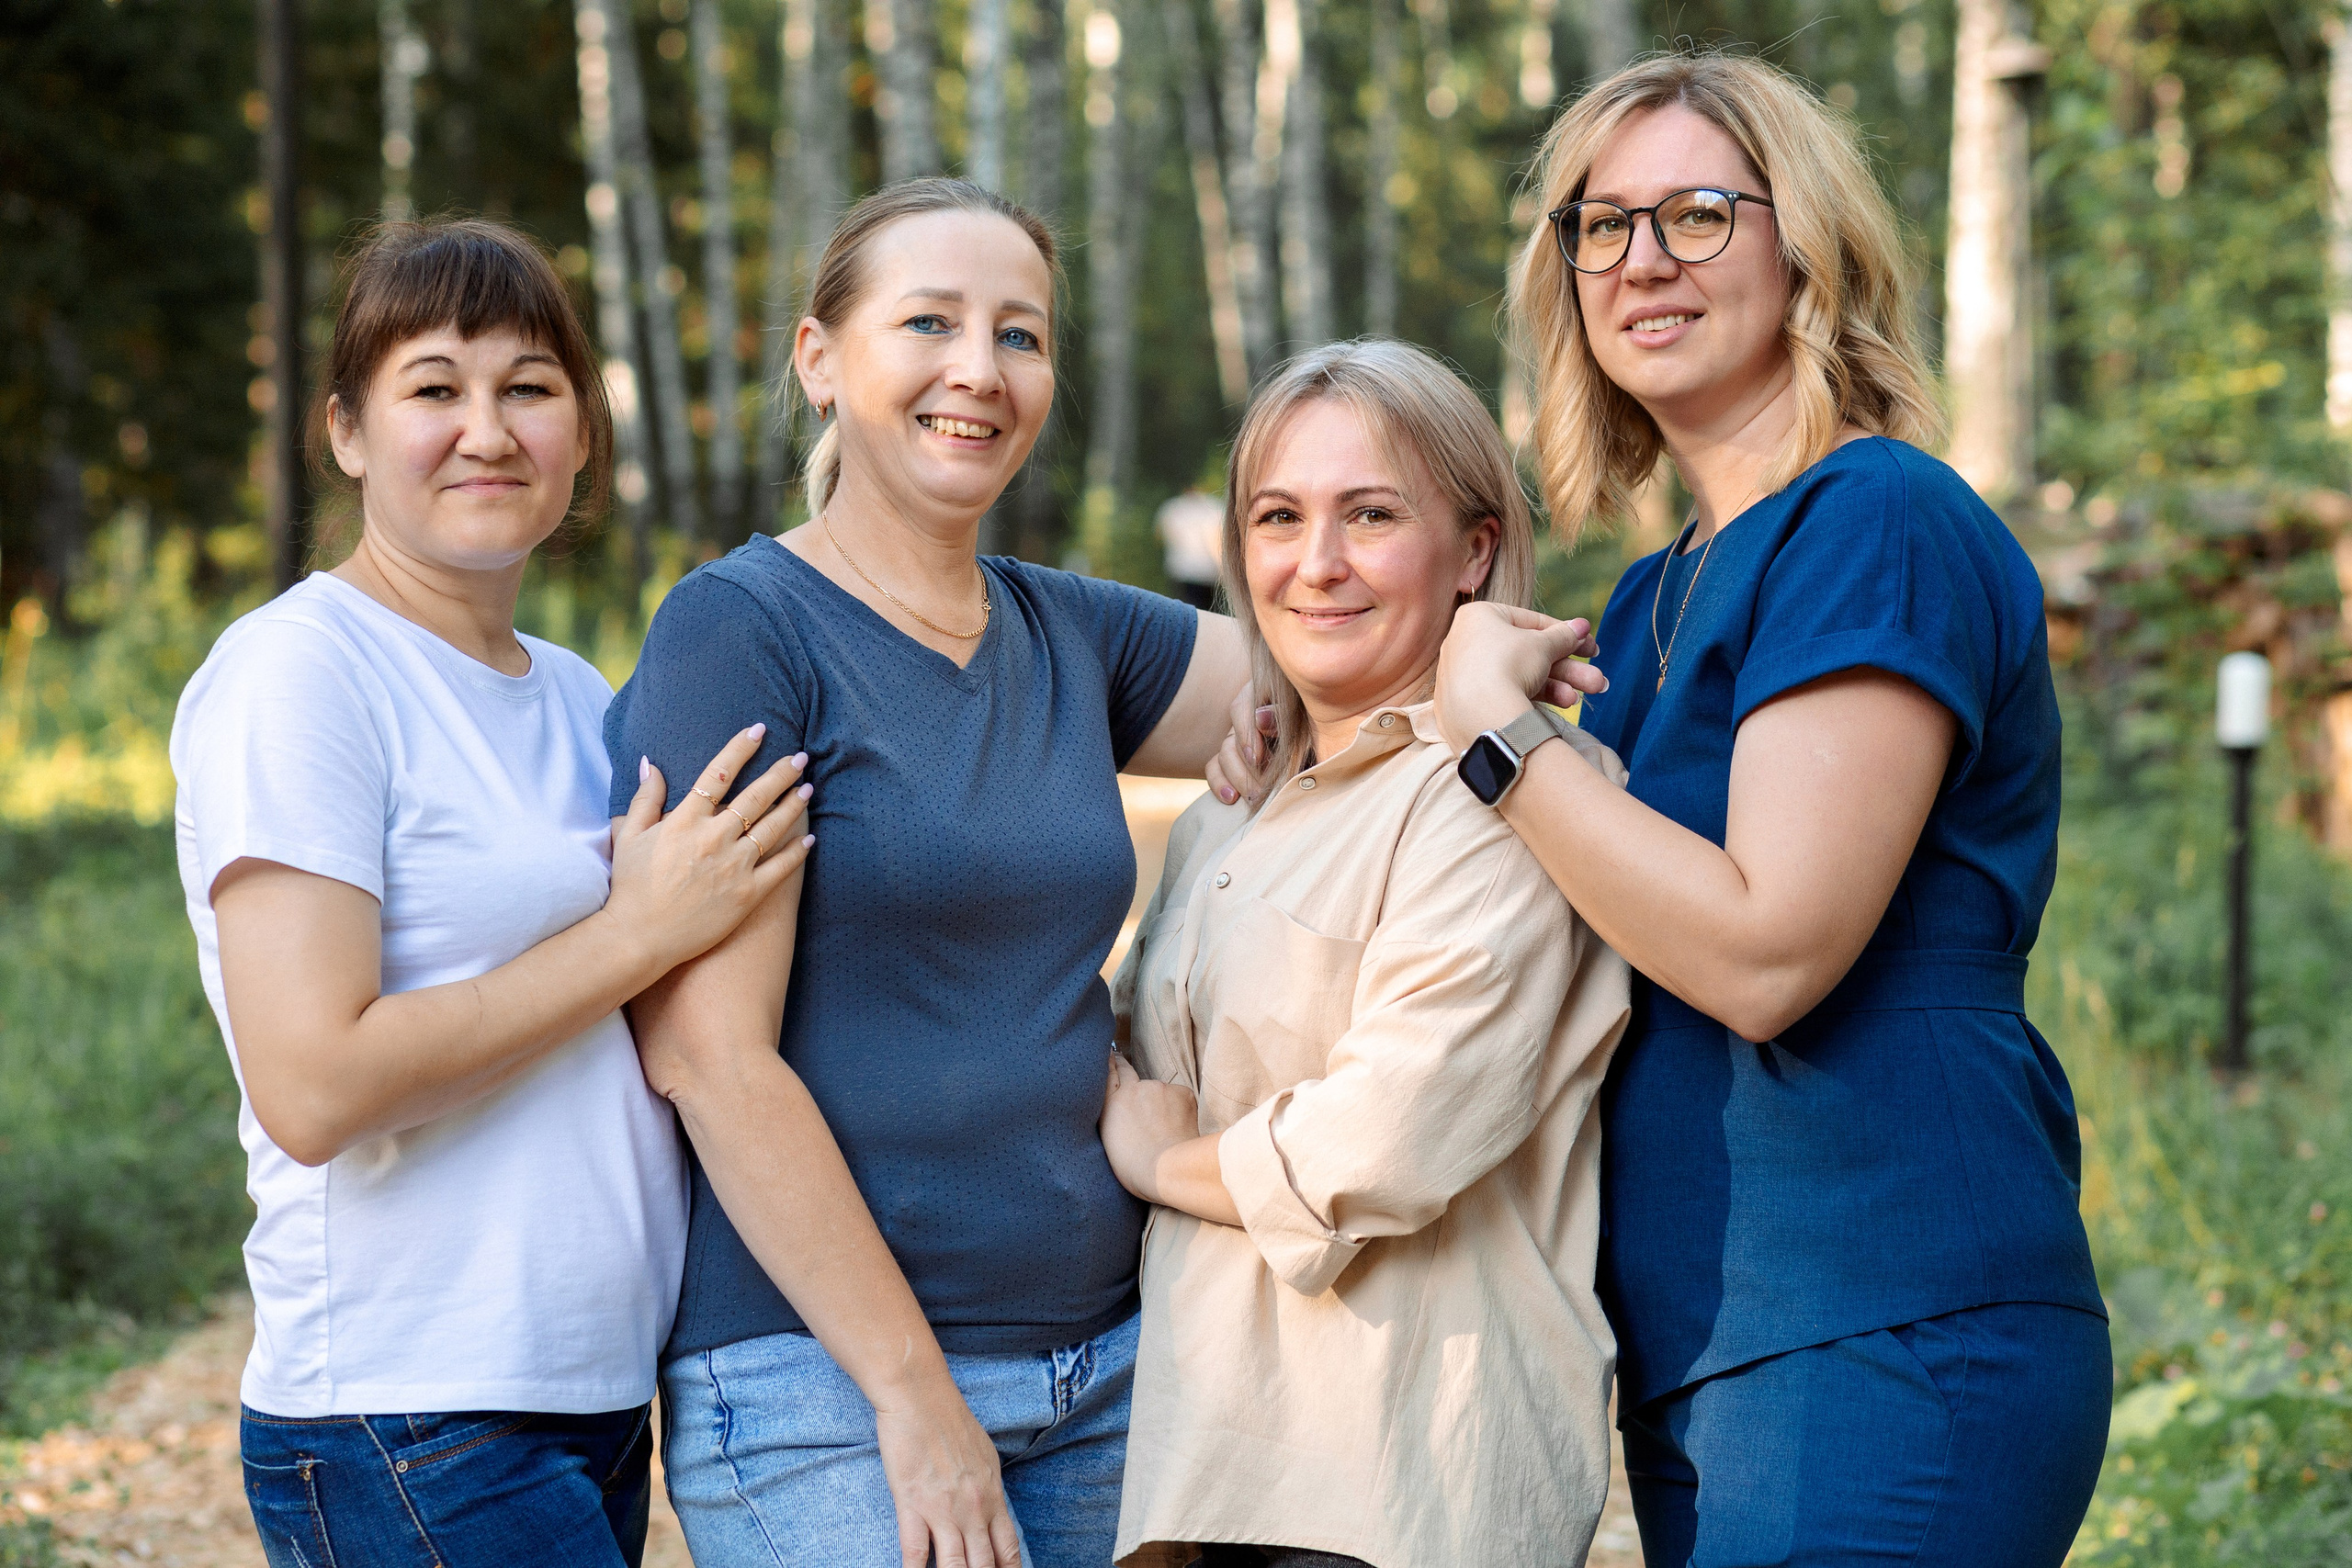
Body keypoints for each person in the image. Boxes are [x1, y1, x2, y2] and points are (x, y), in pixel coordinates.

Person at [1430, 53, 2109, 1566]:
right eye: (1599, 226)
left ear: (1807, 243)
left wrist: (1499, 741)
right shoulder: (1657, 589)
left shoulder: (1874, 518)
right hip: (1707, 1346)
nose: (1643, 260)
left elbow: (1764, 954)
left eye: (1698, 214)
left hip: (1885, 1310)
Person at [602, 177, 1252, 1568]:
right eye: (930, 322)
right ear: (821, 359)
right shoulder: (742, 629)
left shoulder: (1070, 627)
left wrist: (1485, 658)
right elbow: (712, 1060)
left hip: (1108, 1367)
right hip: (827, 1386)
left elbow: (1340, 666)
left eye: (1021, 335)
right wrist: (914, 1393)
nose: (981, 369)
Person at [170, 219, 809, 1567]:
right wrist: (635, 932)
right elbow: (316, 1084)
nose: (489, 427)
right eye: (434, 387)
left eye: (529, 385)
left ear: (581, 431)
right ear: (347, 431)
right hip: (413, 1407)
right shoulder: (299, 673)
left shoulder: (576, 691)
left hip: (584, 1392)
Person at [1100, 339, 1633, 1568]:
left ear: (1478, 549)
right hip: (1210, 1455)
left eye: (1372, 514)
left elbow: (1389, 1134)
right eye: (1279, 516)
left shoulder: (1504, 792)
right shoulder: (1230, 808)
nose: (1317, 562)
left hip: (1404, 1473)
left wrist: (1160, 1158)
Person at [1156, 484, 1227, 609]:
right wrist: (1223, 570)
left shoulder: (1172, 508)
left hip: (1181, 571)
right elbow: (1217, 541)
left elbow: (1160, 535)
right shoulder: (1213, 507)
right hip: (1208, 573)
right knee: (1209, 613)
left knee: (1183, 613)